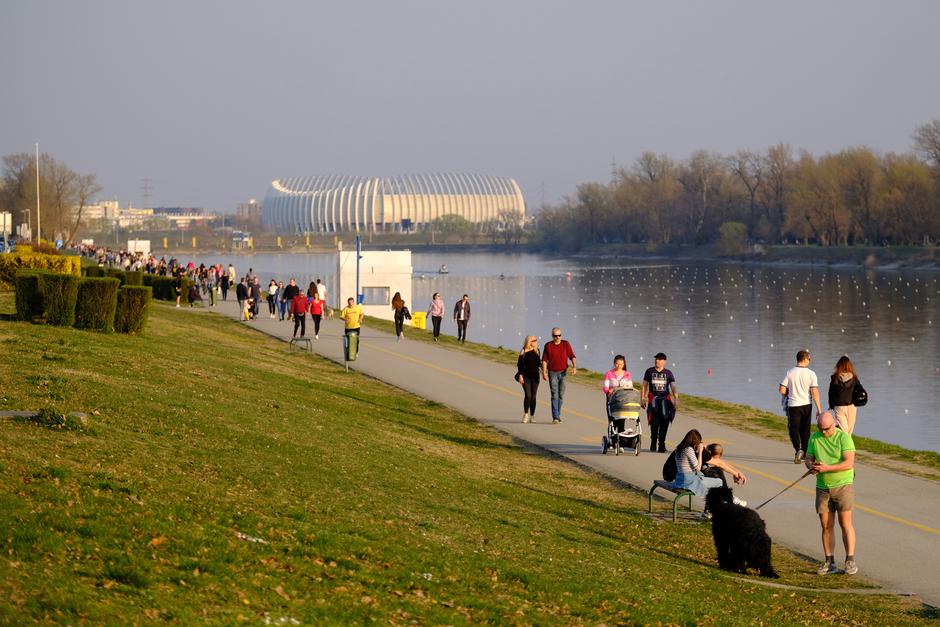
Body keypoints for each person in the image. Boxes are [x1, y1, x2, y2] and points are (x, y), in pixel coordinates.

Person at [805, 410, 857, 576]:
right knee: (826, 525)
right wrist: (811, 466)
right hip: (822, 487)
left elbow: (849, 462)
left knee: (845, 524)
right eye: (821, 429)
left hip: (843, 485)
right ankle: (829, 561)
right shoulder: (814, 437)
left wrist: (828, 468)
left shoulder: (844, 437)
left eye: (826, 429)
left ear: (834, 423)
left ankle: (850, 560)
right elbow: (808, 458)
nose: (824, 432)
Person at [779, 349, 822, 464]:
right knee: (805, 430)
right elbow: (815, 392)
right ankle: (804, 452)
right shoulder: (811, 374)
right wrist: (819, 409)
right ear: (805, 359)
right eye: (809, 359)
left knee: (793, 429)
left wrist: (790, 391)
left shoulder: (790, 372)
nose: (810, 361)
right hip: (807, 405)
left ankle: (798, 449)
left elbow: (782, 389)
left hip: (793, 405)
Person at [669, 429, 723, 506]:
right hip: (689, 482)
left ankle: (711, 507)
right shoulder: (688, 450)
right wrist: (700, 451)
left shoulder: (679, 448)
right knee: (719, 482)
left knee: (710, 486)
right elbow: (698, 467)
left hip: (679, 480)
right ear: (694, 440)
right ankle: (710, 509)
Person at [641, 352, 679, 453]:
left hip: (665, 401)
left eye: (659, 359)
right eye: (656, 359)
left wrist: (676, 398)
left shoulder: (668, 373)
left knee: (665, 422)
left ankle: (662, 444)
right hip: (653, 401)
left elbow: (673, 386)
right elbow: (644, 385)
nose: (656, 361)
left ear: (664, 362)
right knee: (654, 423)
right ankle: (653, 441)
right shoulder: (649, 371)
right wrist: (643, 398)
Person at [541, 327, 577, 424]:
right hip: (552, 373)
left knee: (561, 395)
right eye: (555, 336)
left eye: (559, 335)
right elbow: (544, 360)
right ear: (552, 336)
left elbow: (572, 356)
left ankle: (558, 414)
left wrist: (574, 366)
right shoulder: (548, 346)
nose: (557, 337)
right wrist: (544, 372)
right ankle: (555, 417)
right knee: (554, 394)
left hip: (563, 372)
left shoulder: (566, 344)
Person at [828, 355, 861, 434]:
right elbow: (860, 389)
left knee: (843, 429)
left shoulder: (835, 378)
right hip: (851, 405)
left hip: (839, 406)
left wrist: (831, 405)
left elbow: (831, 393)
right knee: (849, 430)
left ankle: (844, 444)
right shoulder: (854, 378)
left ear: (838, 365)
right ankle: (847, 445)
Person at [516, 335, 541, 423]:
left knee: (533, 397)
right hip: (525, 376)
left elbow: (538, 363)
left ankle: (532, 416)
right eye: (533, 340)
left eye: (535, 340)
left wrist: (543, 369)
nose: (535, 341)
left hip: (535, 377)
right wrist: (520, 375)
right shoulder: (523, 351)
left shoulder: (537, 351)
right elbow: (519, 365)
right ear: (529, 342)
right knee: (528, 395)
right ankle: (526, 414)